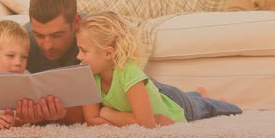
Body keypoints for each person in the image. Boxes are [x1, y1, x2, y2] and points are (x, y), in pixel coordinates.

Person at [76, 11, 243, 128]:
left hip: (178, 108)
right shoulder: (88, 76)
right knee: (189, 97)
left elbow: (146, 126)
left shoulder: (129, 73)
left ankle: (214, 100)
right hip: (160, 96)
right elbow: (92, 120)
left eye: (83, 51)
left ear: (108, 53)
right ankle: (197, 93)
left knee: (204, 107)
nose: (78, 57)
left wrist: (108, 114)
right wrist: (108, 114)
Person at [0, 0, 85, 125]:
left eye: (57, 35)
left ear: (75, 22)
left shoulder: (94, 36)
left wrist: (64, 114)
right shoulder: (23, 40)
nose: (47, 45)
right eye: (39, 35)